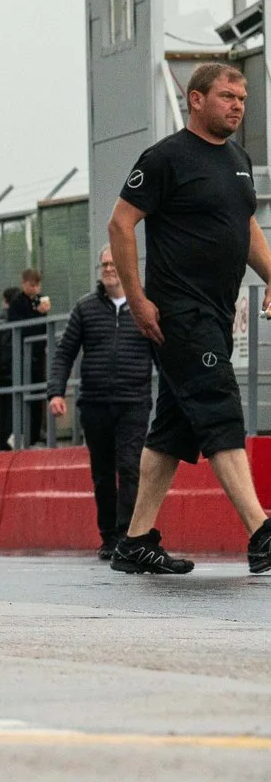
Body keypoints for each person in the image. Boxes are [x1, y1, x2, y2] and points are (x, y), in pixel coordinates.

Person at [107, 59, 271, 576]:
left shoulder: (239, 160)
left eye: (241, 99)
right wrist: (137, 299)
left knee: (173, 431)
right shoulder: (164, 158)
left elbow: (244, 226)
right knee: (220, 409)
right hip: (178, 312)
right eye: (227, 97)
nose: (237, 107)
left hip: (217, 312)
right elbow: (121, 223)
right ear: (195, 99)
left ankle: (134, 543)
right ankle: (262, 531)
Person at [44, 250, 154, 558]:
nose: (108, 269)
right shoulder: (85, 308)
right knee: (103, 474)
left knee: (130, 468)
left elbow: (162, 351)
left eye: (113, 264)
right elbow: (65, 353)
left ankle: (127, 536)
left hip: (134, 402)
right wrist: (55, 392)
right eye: (104, 264)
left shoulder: (144, 305)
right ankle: (108, 537)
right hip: (95, 404)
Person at [0, 268, 54, 448]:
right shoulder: (17, 303)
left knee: (37, 397)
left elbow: (43, 327)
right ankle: (19, 435)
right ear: (24, 284)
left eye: (37, 285)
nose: (34, 289)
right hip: (21, 356)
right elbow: (21, 327)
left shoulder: (38, 300)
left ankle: (34, 436)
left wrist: (44, 313)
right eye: (31, 285)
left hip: (36, 355)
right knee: (21, 396)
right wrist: (38, 313)